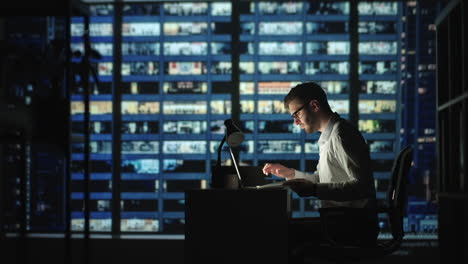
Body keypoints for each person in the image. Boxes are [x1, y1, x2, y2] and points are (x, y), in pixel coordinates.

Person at [261, 82, 379, 260]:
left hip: (351, 225)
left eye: (296, 114)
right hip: (342, 221)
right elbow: (322, 179)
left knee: (278, 234)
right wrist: (290, 174)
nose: (295, 122)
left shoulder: (341, 135)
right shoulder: (329, 137)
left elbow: (362, 188)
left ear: (314, 105)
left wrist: (314, 190)